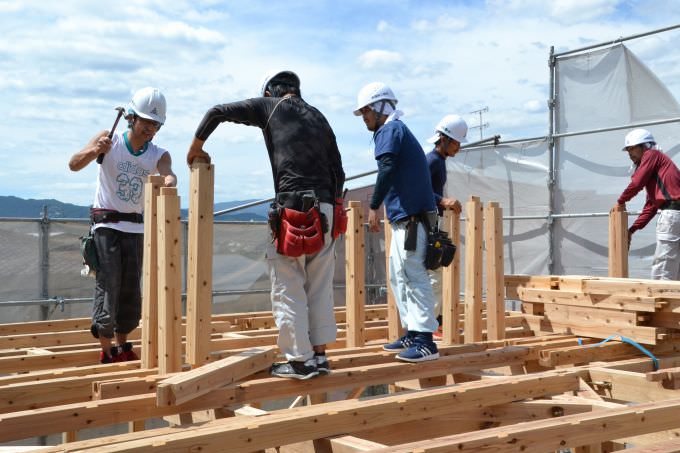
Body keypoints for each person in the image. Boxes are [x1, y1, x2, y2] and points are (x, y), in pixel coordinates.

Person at [186, 70, 345, 380]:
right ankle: (320, 356)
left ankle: (299, 361)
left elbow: (217, 112)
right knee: (319, 285)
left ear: (271, 92)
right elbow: (338, 168)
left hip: (293, 210)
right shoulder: (319, 117)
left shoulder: (270, 107)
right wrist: (336, 209)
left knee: (288, 284)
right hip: (325, 210)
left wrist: (195, 148)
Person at [69, 87, 177, 363]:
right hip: (106, 226)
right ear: (131, 118)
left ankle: (123, 344)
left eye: (156, 124)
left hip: (136, 228)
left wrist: (168, 181)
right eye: (146, 122)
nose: (150, 129)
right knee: (109, 284)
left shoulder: (158, 154)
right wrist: (96, 150)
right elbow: (74, 164)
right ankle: (106, 348)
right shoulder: (110, 139)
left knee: (131, 288)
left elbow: (168, 173)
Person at [354, 81, 439, 362]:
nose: (364, 117)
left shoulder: (389, 129)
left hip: (412, 220)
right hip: (407, 219)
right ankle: (413, 334)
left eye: (366, 111)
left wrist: (374, 206)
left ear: (381, 107)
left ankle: (426, 341)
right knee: (398, 277)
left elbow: (387, 168)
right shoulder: (394, 129)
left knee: (413, 276)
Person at [615, 128, 680, 280]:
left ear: (645, 146)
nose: (630, 154)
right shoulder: (658, 170)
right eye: (628, 150)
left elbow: (637, 182)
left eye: (632, 148)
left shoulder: (652, 155)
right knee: (675, 270)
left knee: (662, 269)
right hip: (676, 215)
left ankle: (660, 302)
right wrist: (633, 229)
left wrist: (620, 202)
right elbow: (651, 205)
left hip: (672, 215)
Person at [425, 115, 467, 338]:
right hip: (428, 222)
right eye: (456, 142)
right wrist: (442, 201)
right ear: (443, 139)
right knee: (434, 274)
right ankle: (431, 326)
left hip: (434, 222)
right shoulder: (432, 161)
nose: (458, 148)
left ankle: (437, 322)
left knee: (437, 273)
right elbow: (417, 189)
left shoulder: (438, 161)